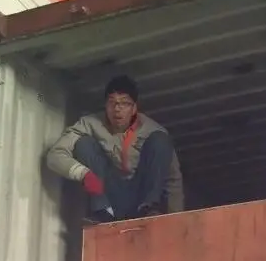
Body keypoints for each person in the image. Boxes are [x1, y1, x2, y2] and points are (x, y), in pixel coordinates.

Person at [46, 75, 184, 222]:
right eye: (112, 103)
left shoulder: (153, 130)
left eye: (124, 103)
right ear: (105, 106)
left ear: (134, 108)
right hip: (110, 196)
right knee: (83, 143)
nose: (117, 109)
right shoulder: (89, 124)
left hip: (141, 196)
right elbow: (55, 155)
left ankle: (149, 208)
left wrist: (176, 221)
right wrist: (83, 174)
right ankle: (103, 211)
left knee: (160, 141)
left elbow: (173, 180)